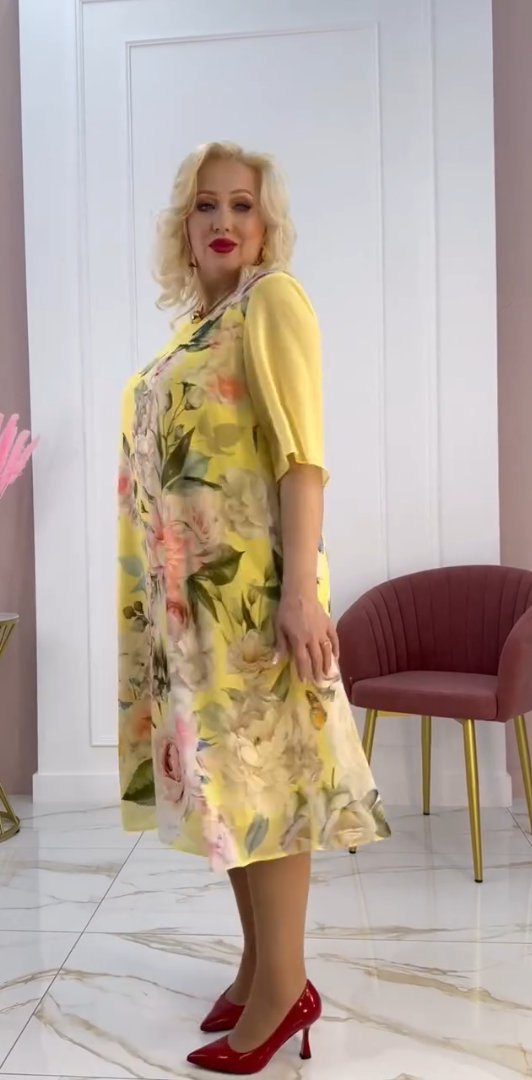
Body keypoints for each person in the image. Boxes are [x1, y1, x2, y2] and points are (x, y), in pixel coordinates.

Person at [117, 141, 390, 1074]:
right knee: (232, 792)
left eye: (242, 205)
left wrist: (299, 594)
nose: (224, 220)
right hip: (193, 612)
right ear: (184, 227)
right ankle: (257, 965)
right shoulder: (195, 328)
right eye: (206, 205)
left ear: (265, 225)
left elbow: (300, 457)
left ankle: (285, 986)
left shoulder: (271, 301)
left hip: (251, 602)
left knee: (269, 790)